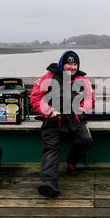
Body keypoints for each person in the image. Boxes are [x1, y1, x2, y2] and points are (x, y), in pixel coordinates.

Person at [30, 50, 95, 197]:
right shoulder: (47, 78)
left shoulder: (83, 80)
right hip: (54, 120)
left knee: (85, 140)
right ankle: (48, 183)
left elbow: (90, 98)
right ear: (62, 64)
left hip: (76, 120)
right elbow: (36, 98)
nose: (72, 67)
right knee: (51, 148)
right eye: (68, 64)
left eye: (74, 64)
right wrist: (50, 112)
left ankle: (72, 163)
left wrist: (82, 111)